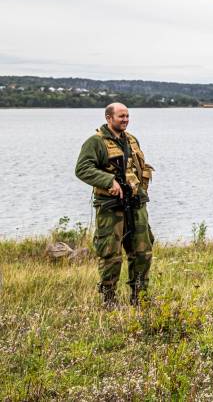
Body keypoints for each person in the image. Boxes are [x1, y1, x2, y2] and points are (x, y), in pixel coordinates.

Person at [74, 103, 155, 307]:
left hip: (136, 203)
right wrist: (108, 181)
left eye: (127, 116)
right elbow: (82, 169)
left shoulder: (131, 140)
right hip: (111, 206)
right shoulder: (96, 142)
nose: (125, 119)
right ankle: (109, 299)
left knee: (142, 251)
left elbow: (138, 168)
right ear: (109, 118)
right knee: (111, 254)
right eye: (121, 116)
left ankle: (140, 296)